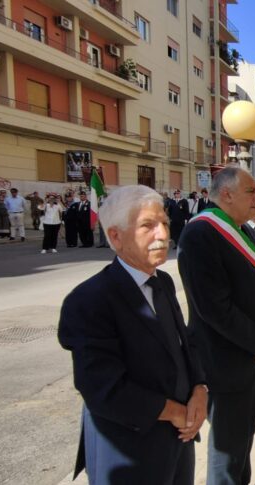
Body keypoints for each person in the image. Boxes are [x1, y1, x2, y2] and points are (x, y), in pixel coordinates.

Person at [58, 185, 207, 484]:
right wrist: (174, 411)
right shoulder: (89, 300)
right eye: (148, 226)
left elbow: (183, 344)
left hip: (179, 439)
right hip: (129, 451)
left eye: (164, 223)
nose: (163, 234)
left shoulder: (162, 281)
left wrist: (200, 390)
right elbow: (103, 389)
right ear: (115, 236)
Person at [177, 166, 255, 485]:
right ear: (226, 194)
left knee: (242, 441)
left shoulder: (244, 229)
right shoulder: (200, 233)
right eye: (251, 191)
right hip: (226, 361)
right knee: (227, 451)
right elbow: (214, 308)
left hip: (254, 358)